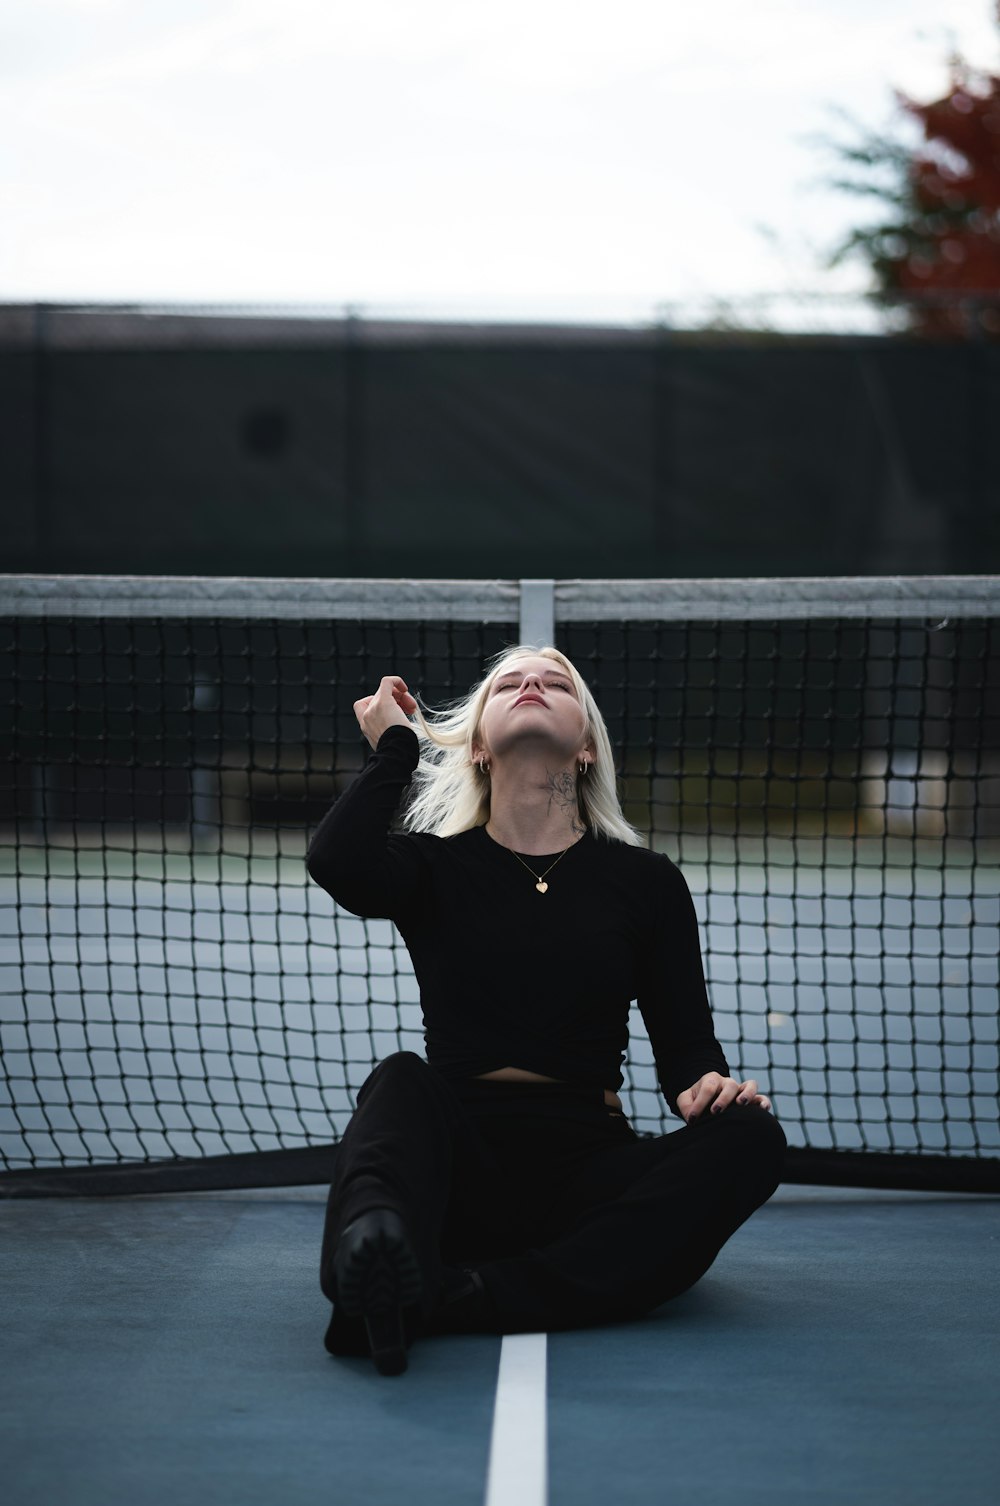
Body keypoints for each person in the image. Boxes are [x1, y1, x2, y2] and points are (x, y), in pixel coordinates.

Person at [306, 646, 786, 1375]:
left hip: (588, 1170)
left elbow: (688, 1050)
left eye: (556, 682)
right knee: (400, 1077)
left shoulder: (646, 882)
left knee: (754, 1137)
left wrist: (708, 1087)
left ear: (586, 745)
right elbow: (336, 861)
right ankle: (370, 1249)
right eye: (511, 682)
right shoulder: (432, 867)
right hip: (460, 1167)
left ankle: (449, 1297)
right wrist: (396, 746)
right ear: (476, 745)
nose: (533, 683)